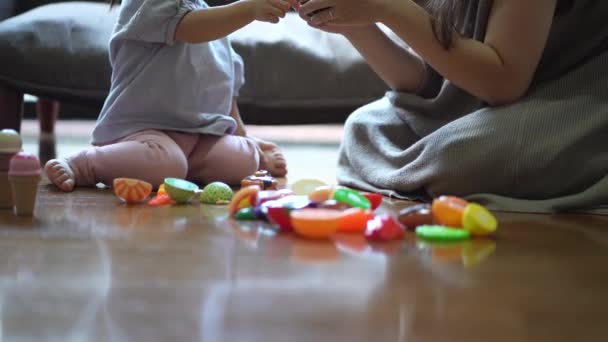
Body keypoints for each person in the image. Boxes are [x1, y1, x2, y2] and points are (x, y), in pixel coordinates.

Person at [297, 0, 608, 213]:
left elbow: (503, 82)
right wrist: (348, 22)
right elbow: (424, 82)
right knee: (364, 129)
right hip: (477, 96)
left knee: (458, 156)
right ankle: (430, 172)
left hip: (571, 94)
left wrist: (387, 7)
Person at [45, 0, 295, 192]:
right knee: (166, 162)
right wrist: (249, 9)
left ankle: (183, 170)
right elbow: (188, 27)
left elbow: (223, 84)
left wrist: (242, 135)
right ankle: (84, 165)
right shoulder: (147, 5)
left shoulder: (210, 18)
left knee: (240, 160)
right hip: (143, 131)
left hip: (199, 135)